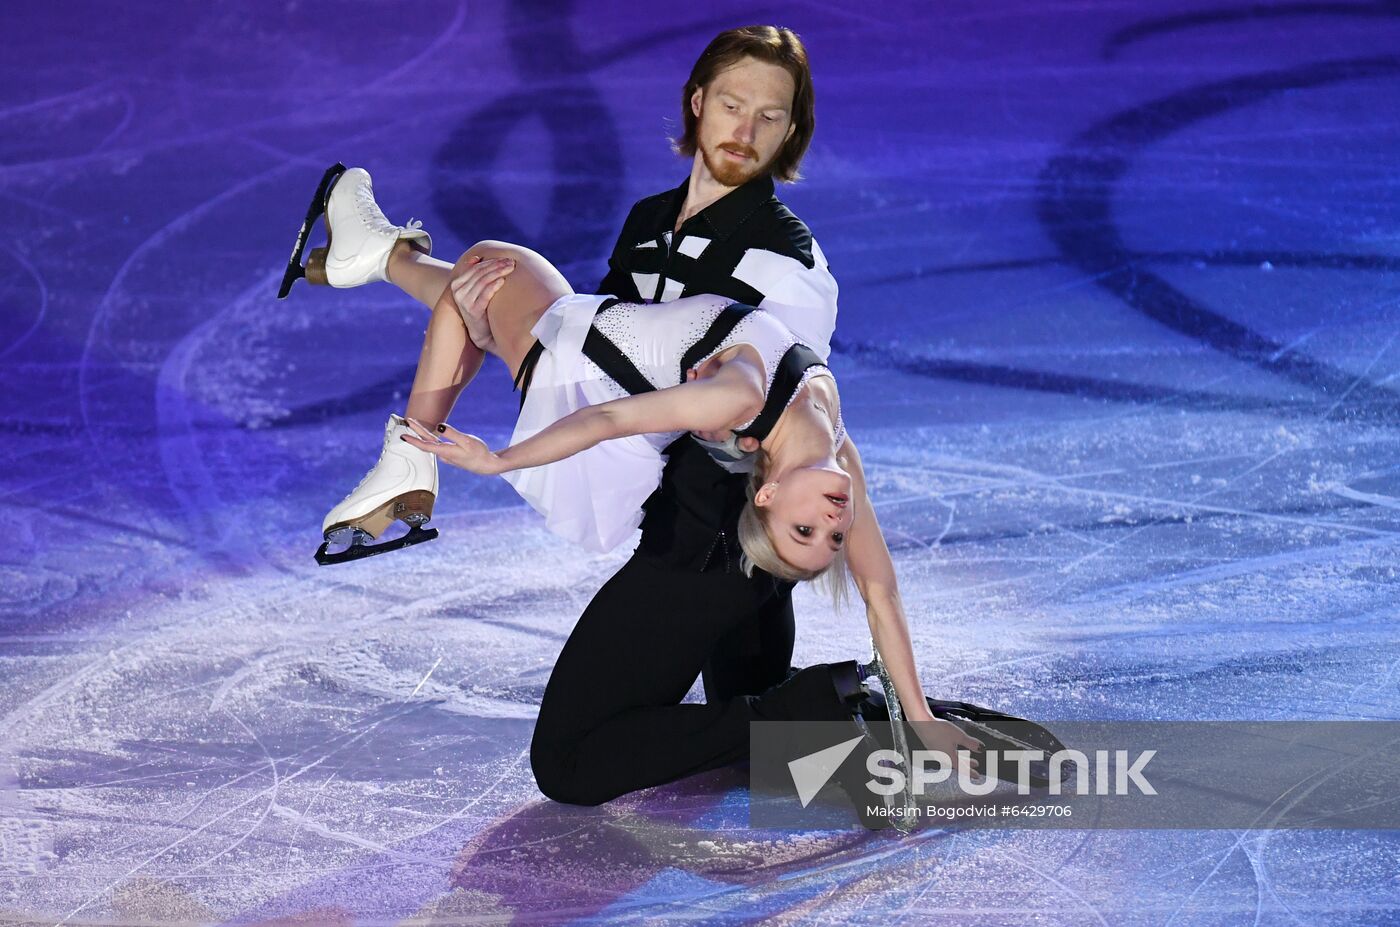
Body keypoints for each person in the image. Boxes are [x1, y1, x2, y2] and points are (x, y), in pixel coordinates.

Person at [282, 27, 991, 818]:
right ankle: (376, 259)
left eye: (770, 117)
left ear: (792, 132)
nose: (745, 131)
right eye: (731, 104)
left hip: (713, 542)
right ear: (698, 103)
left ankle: (393, 347)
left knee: (573, 758)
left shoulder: (788, 260)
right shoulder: (650, 223)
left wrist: (506, 449)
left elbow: (772, 403)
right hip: (717, 523)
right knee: (509, 307)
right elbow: (611, 344)